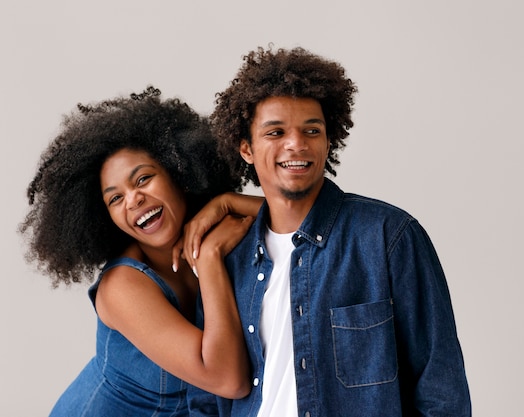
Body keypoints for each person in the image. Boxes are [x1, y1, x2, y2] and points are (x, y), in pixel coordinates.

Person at [183, 46, 472, 416]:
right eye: (275, 132)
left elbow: (441, 388)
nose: (296, 144)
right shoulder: (231, 259)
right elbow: (207, 400)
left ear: (328, 140)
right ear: (246, 149)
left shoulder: (387, 237)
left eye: (312, 130)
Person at [19, 87, 258, 416]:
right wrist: (211, 257)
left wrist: (226, 202)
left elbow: (298, 219)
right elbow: (229, 380)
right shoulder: (122, 286)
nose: (133, 200)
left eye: (143, 179)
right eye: (115, 198)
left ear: (180, 174)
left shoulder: (211, 226)